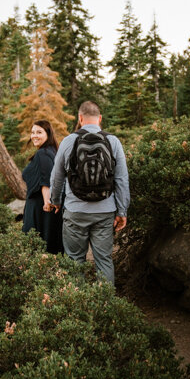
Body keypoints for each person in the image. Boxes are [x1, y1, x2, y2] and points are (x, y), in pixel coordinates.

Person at [50, 101, 129, 284]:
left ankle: (78, 307)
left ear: (80, 118)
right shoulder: (113, 141)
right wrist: (122, 211)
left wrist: (55, 200)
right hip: (105, 211)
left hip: (75, 211)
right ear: (100, 118)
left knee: (75, 260)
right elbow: (122, 179)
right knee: (104, 260)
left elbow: (57, 177)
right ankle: (105, 306)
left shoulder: (69, 141)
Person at [21, 119, 63, 254]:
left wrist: (47, 202)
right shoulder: (52, 151)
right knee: (49, 243)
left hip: (40, 208)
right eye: (32, 132)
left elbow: (46, 180)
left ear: (48, 134)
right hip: (46, 207)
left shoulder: (43, 153)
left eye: (39, 132)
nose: (34, 136)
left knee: (38, 245)